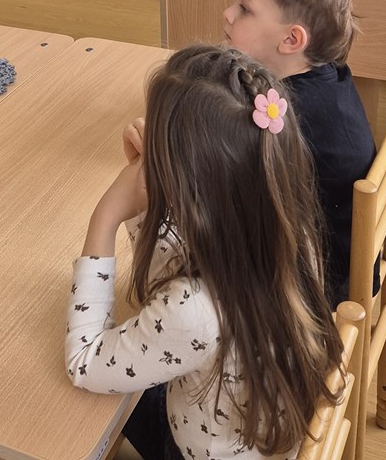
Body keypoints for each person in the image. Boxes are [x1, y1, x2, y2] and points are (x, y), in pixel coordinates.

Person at [66, 44, 343, 460]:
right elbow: (171, 276)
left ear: (187, 189)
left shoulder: (192, 311)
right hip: (247, 427)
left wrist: (106, 216)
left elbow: (84, 362)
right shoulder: (287, 230)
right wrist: (146, 203)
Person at [223, 0, 378, 307]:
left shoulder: (289, 117)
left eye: (244, 8)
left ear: (291, 40)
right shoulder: (328, 75)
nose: (227, 13)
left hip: (320, 288)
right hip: (345, 258)